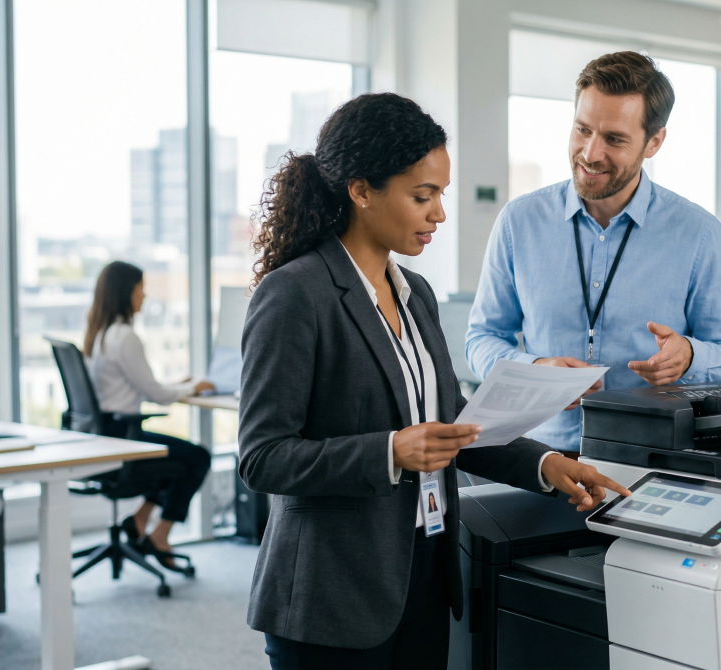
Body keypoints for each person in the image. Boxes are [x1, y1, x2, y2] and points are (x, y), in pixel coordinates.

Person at [238, 92, 630, 670]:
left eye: (440, 195)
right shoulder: (297, 294)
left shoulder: (416, 295)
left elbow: (455, 425)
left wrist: (546, 466)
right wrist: (390, 451)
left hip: (423, 573)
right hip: (332, 594)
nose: (439, 214)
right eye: (423, 196)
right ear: (361, 190)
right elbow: (264, 457)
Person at [466, 51, 721, 453]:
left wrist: (690, 357)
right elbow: (481, 338)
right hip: (535, 458)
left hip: (653, 462)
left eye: (614, 139)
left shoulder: (699, 234)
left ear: (654, 142)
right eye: (582, 129)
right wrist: (536, 371)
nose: (590, 153)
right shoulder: (519, 221)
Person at [84, 260, 214, 568]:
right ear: (126, 292)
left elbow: (141, 387)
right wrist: (192, 388)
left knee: (177, 458)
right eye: (141, 288)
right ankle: (160, 534)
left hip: (106, 434)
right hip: (125, 439)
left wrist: (178, 386)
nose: (145, 296)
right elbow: (156, 395)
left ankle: (141, 521)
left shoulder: (101, 335)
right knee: (197, 457)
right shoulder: (125, 337)